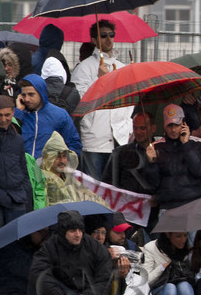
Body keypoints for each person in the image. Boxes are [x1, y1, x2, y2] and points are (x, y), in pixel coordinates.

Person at [23, 210, 115, 295]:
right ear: (63, 232)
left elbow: (103, 281)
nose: (77, 235)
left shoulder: (95, 248)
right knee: (36, 282)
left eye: (80, 230)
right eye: (72, 231)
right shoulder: (51, 246)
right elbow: (38, 272)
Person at [69, 20, 131, 178]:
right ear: (94, 40)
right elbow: (79, 101)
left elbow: (130, 102)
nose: (108, 39)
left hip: (120, 139)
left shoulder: (122, 68)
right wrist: (99, 80)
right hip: (94, 140)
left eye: (111, 35)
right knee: (93, 189)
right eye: (103, 35)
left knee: (115, 189)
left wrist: (127, 127)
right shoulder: (84, 68)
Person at [152, 105, 201, 210]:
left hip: (192, 202)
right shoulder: (156, 146)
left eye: (177, 125)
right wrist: (151, 162)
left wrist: (186, 144)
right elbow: (153, 182)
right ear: (164, 126)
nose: (174, 129)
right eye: (170, 126)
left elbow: (200, 171)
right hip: (168, 204)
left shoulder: (198, 144)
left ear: (184, 124)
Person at [0, 95, 32, 230]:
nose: (3, 119)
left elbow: (23, 169)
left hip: (17, 198)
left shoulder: (18, 139)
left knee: (16, 242)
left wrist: (26, 195)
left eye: (7, 115)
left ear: (13, 113)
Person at [14, 75, 81, 160]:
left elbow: (74, 144)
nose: (27, 99)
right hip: (22, 169)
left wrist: (62, 163)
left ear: (41, 93)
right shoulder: (18, 114)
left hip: (48, 170)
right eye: (23, 95)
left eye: (31, 94)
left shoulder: (59, 115)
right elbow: (6, 138)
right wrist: (18, 112)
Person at [107, 112, 160, 195]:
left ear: (153, 128)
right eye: (135, 128)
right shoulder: (120, 153)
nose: (138, 132)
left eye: (143, 128)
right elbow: (109, 183)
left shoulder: (162, 150)